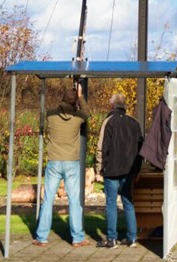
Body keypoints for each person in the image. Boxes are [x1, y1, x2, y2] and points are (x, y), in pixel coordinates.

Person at [34, 82, 90, 247]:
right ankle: (78, 238)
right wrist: (80, 95)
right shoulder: (78, 118)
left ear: (62, 99)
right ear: (75, 103)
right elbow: (87, 113)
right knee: (74, 201)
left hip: (54, 161)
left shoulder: (51, 115)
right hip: (71, 162)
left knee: (48, 200)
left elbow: (48, 113)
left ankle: (41, 237)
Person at [96, 92, 143, 248]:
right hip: (129, 171)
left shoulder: (108, 122)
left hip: (111, 170)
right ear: (125, 106)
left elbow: (102, 147)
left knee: (111, 204)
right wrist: (137, 170)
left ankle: (112, 239)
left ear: (112, 105)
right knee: (128, 203)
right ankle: (132, 238)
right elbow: (140, 149)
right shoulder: (134, 123)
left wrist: (98, 169)